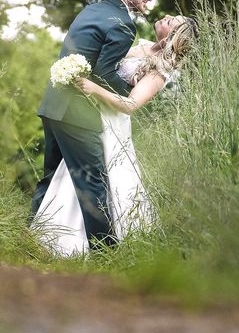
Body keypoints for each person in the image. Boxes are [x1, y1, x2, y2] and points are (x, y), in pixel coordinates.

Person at [31, 14, 198, 256]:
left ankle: (93, 245)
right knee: (73, 171)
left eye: (173, 21)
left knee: (106, 176)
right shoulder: (140, 46)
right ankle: (53, 235)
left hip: (112, 124)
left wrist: (91, 87)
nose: (167, 17)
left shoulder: (160, 70)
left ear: (173, 37)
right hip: (89, 114)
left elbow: (131, 104)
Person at [31, 0, 166, 249]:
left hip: (54, 104)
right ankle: (105, 251)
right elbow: (104, 75)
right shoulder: (122, 24)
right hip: (78, 113)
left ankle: (31, 237)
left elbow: (89, 58)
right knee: (94, 183)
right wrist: (132, 86)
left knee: (51, 179)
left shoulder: (93, 10)